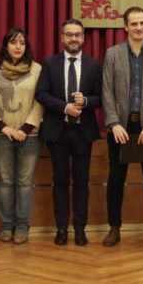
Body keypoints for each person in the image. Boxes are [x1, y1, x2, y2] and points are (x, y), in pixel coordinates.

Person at [101, 6, 143, 248]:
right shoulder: (112, 54)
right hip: (120, 127)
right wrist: (114, 123)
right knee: (116, 179)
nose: (139, 27)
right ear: (125, 27)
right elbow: (106, 90)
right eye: (134, 23)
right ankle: (114, 228)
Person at [36, 19, 102, 246]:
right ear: (62, 38)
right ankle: (61, 229)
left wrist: (87, 101)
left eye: (78, 35)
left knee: (82, 183)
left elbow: (102, 97)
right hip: (58, 132)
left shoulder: (94, 65)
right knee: (60, 182)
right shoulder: (50, 63)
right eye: (69, 35)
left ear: (83, 38)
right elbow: (41, 94)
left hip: (83, 132)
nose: (74, 39)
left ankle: (80, 229)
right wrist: (65, 107)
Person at [0, 27, 43, 244]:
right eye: (13, 42)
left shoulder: (36, 70)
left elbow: (40, 101)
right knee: (5, 181)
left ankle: (22, 226)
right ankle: (6, 225)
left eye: (22, 42)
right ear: (6, 45)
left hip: (29, 136)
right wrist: (4, 127)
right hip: (0, 135)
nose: (18, 46)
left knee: (24, 182)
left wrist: (25, 129)